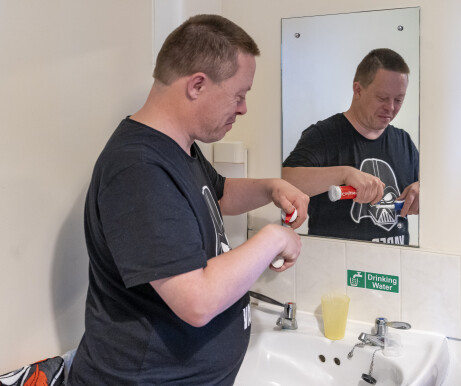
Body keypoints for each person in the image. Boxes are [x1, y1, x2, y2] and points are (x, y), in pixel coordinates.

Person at [67, 14, 309, 385]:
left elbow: (219, 194)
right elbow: (196, 302)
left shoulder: (177, 149)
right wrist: (274, 238)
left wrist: (271, 188)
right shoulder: (138, 169)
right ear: (197, 84)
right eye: (239, 95)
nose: (243, 108)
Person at [282, 48, 419, 245]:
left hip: (392, 269)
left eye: (398, 99)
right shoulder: (323, 136)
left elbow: (434, 190)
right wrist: (343, 174)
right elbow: (285, 181)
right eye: (382, 98)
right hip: (337, 266)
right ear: (358, 90)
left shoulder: (403, 141)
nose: (390, 107)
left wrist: (423, 190)